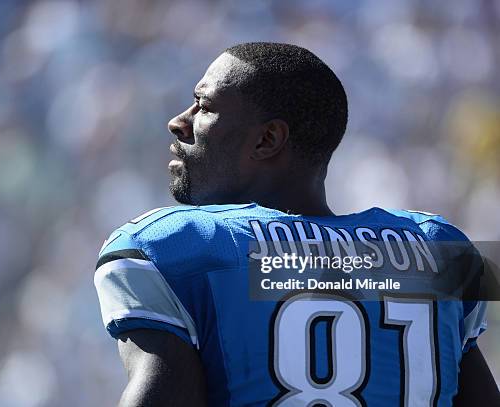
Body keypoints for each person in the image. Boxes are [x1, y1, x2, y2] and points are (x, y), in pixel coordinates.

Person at [93, 42, 498, 406]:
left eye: (204, 105)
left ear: (267, 140)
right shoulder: (436, 251)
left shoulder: (173, 248)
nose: (180, 121)